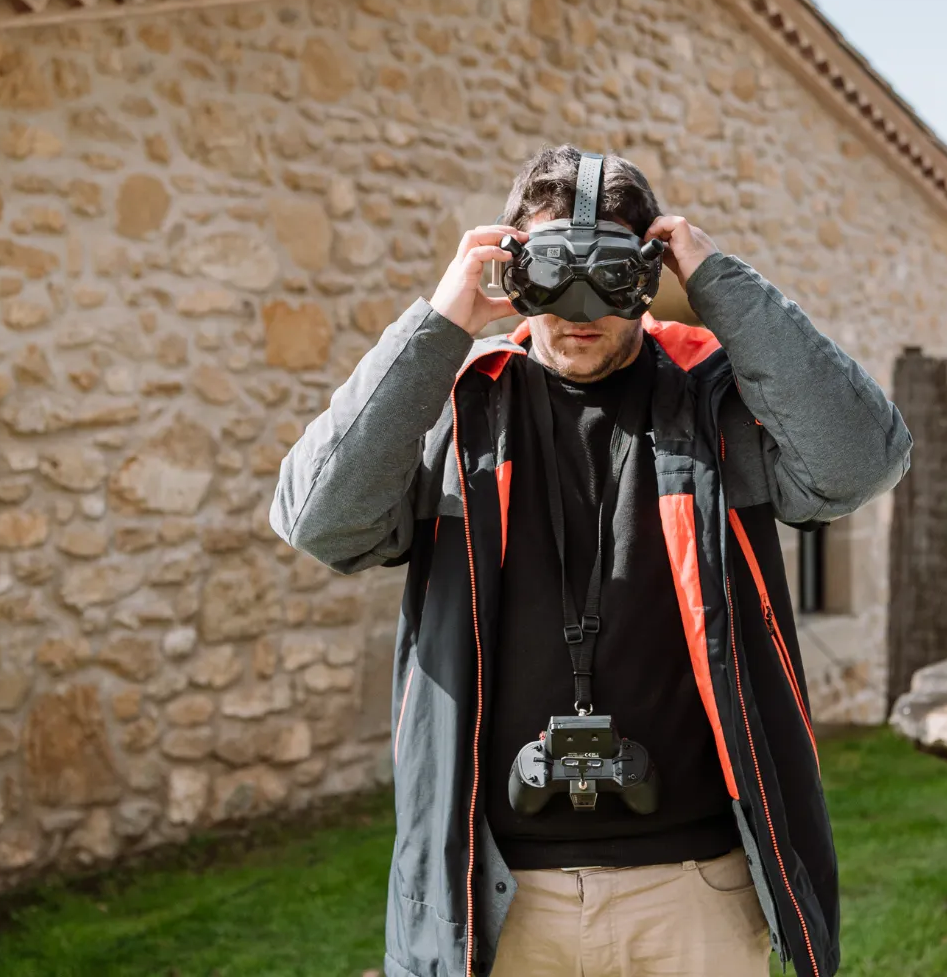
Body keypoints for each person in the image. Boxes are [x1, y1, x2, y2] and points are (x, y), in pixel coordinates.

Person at [270, 145, 911, 977]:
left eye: (612, 277)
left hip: (696, 890)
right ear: (510, 273)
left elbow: (860, 460)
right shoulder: (460, 409)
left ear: (649, 275)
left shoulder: (714, 404)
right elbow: (321, 520)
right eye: (550, 276)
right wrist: (441, 321)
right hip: (497, 898)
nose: (580, 309)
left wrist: (718, 283)